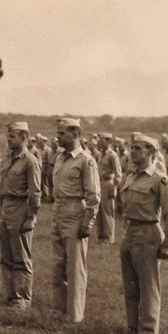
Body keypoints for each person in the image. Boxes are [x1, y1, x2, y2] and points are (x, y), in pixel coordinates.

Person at [119, 134, 168, 334]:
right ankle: (132, 330)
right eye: (131, 148)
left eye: (138, 148)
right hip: (130, 232)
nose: (132, 152)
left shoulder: (159, 179)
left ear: (151, 153)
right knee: (130, 286)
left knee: (148, 287)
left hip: (148, 234)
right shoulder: (131, 177)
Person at [51, 118, 100, 323]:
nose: (58, 137)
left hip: (74, 212)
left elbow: (93, 195)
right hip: (58, 210)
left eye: (62, 133)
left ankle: (74, 317)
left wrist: (87, 223)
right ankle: (60, 312)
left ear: (75, 134)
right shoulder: (60, 158)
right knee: (57, 266)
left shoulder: (85, 160)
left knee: (75, 268)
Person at [0, 121, 41, 309]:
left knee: (21, 256)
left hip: (21, 209)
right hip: (6, 208)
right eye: (8, 136)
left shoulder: (30, 161)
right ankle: (10, 295)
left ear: (24, 137)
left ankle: (22, 299)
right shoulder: (8, 159)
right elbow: (2, 187)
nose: (9, 139)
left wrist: (31, 217)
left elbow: (35, 192)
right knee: (6, 257)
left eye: (12, 136)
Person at [96, 134, 122, 244]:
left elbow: (118, 174)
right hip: (99, 183)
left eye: (102, 141)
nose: (99, 142)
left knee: (107, 211)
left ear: (108, 141)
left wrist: (114, 188)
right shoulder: (101, 155)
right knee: (99, 211)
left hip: (108, 184)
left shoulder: (112, 155)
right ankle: (101, 236)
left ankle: (108, 238)